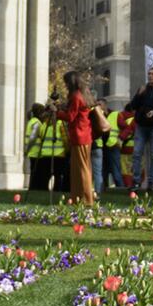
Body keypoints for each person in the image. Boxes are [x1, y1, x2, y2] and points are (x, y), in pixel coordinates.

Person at [127, 66, 153, 193]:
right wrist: (138, 94)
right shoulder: (142, 89)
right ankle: (136, 181)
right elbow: (132, 106)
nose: (150, 76)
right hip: (141, 126)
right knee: (137, 153)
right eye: (149, 74)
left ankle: (151, 183)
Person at [61, 71, 97, 205]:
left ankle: (86, 199)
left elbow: (70, 117)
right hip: (83, 135)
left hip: (80, 135)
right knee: (79, 168)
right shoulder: (83, 95)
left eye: (66, 83)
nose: (65, 86)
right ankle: (78, 197)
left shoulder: (76, 96)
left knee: (82, 168)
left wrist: (57, 112)